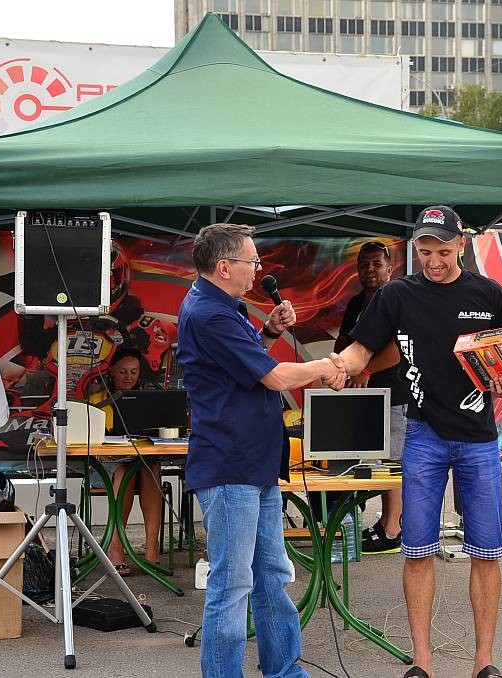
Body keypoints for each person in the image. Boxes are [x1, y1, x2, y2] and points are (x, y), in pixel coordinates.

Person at [330, 206, 502, 678]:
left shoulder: (489, 294)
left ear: (461, 245)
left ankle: (484, 662)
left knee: (487, 552)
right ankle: (423, 662)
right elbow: (361, 348)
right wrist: (337, 367)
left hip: (478, 439)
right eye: (425, 251)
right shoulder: (397, 294)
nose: (434, 261)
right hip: (423, 436)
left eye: (443, 251)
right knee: (416, 551)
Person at [178, 223, 345, 678]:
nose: (257, 268)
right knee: (232, 585)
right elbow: (272, 377)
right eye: (252, 261)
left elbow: (246, 363)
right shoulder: (209, 314)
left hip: (254, 462)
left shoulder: (221, 307)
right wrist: (325, 365)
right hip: (231, 465)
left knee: (271, 574)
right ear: (224, 266)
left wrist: (268, 331)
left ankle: (284, 669)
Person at [334, 241, 409, 555]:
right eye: (364, 264)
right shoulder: (356, 303)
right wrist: (334, 366)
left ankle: (393, 530)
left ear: (389, 268)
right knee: (374, 461)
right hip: (363, 395)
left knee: (392, 462)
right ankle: (382, 523)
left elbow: (396, 350)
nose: (370, 270)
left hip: (393, 391)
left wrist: (365, 370)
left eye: (376, 264)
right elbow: (344, 340)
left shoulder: (396, 299)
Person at [88, 347, 163, 576]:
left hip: (140, 462)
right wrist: (100, 452)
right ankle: (116, 548)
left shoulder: (150, 399)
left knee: (151, 467)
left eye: (133, 372)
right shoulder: (97, 399)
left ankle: (152, 549)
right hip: (104, 465)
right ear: (111, 371)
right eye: (123, 372)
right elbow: (86, 438)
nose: (128, 377)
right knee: (123, 471)